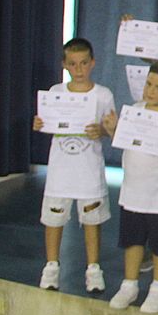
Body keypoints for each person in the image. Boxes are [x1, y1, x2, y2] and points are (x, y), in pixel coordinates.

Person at [103, 61, 158, 314]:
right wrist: (112, 131)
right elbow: (126, 143)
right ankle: (129, 285)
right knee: (132, 241)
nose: (150, 91)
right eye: (149, 84)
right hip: (132, 192)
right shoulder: (134, 111)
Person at [34, 38, 116, 294]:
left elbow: (112, 129)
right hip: (60, 171)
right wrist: (39, 124)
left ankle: (93, 269)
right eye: (73, 64)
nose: (79, 69)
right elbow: (46, 122)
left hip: (89, 170)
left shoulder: (103, 94)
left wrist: (102, 130)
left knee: (92, 220)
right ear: (64, 65)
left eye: (83, 63)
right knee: (53, 219)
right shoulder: (56, 92)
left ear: (92, 63)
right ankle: (51, 267)